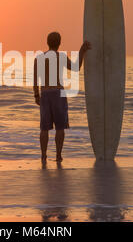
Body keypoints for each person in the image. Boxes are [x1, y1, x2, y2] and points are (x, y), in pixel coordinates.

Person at [33, 32, 91, 162]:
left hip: (45, 93)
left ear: (47, 42)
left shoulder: (39, 58)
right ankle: (58, 155)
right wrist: (82, 50)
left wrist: (36, 95)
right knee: (60, 127)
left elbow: (35, 79)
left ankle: (43, 155)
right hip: (59, 92)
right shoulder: (61, 57)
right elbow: (76, 68)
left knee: (44, 128)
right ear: (59, 43)